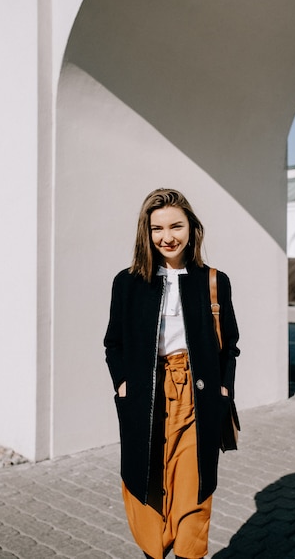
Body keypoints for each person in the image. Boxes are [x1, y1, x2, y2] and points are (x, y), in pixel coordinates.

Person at [104, 188, 240, 559]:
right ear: (145, 233)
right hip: (146, 393)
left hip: (196, 396)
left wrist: (224, 389)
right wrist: (122, 384)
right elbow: (112, 343)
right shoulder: (128, 282)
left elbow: (230, 345)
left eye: (176, 225)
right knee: (146, 487)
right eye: (157, 228)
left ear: (192, 228)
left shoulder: (214, 280)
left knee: (193, 489)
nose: (167, 237)